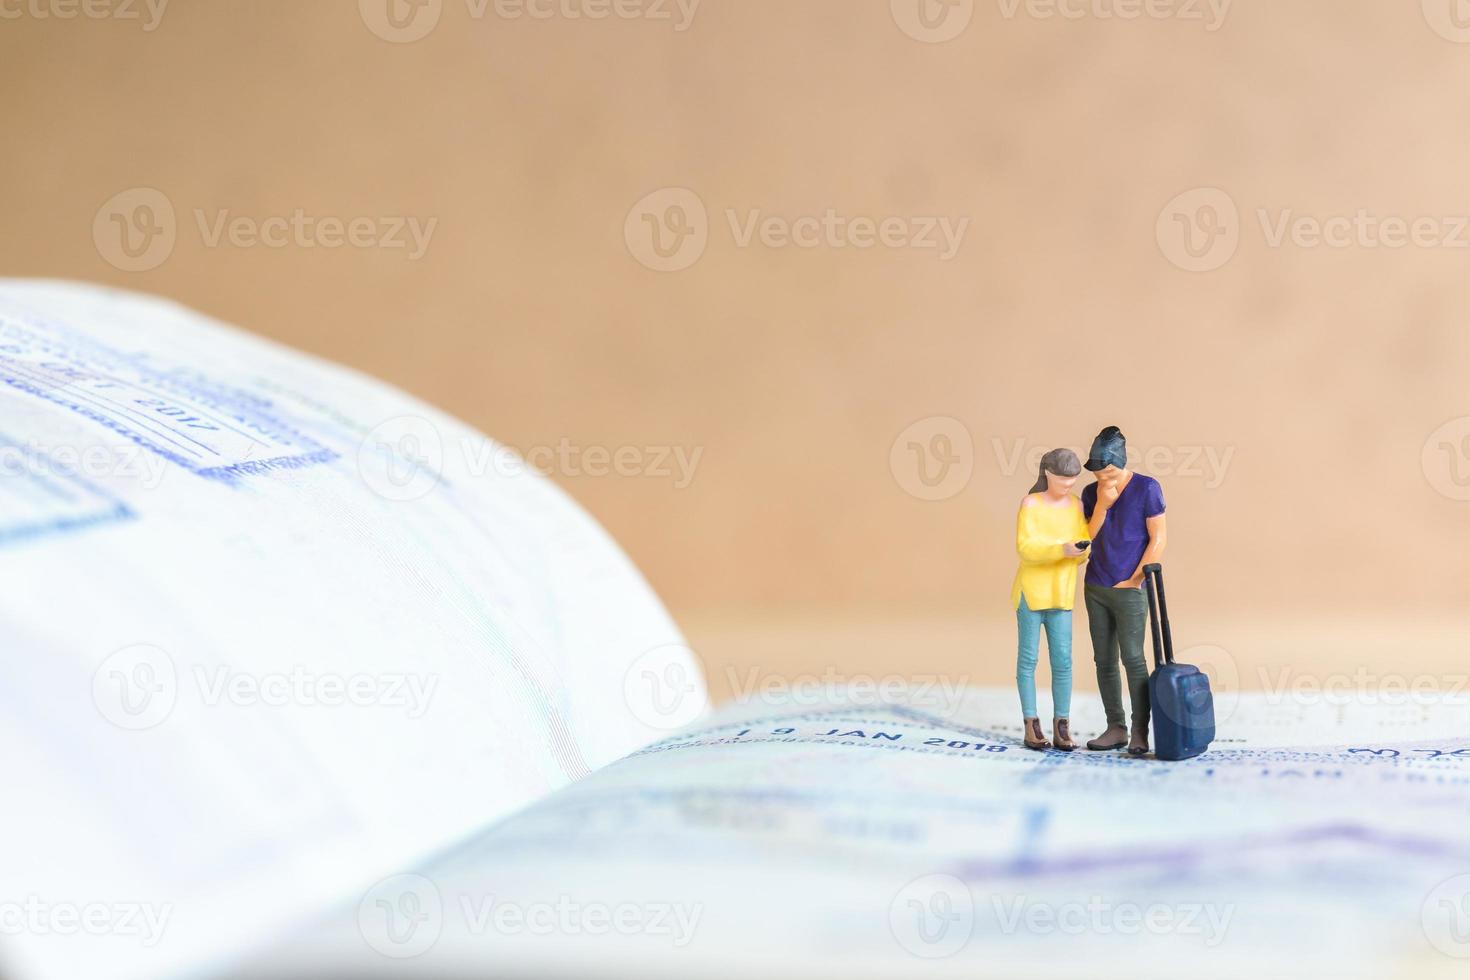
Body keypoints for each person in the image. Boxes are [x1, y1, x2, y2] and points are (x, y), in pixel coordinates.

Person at [1079, 426, 1167, 756]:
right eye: (1098, 471)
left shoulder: (1147, 488)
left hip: (1130, 588)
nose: (1103, 475)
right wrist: (1102, 504)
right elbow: (1085, 539)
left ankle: (1140, 731)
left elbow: (1158, 538)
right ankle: (1115, 726)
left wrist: (1135, 579)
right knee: (1104, 659)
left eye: (1109, 469)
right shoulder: (1091, 494)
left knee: (1133, 658)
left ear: (1121, 462)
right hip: (1096, 586)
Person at [1011, 448, 1089, 751]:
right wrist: (1061, 550)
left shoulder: (1075, 506)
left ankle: (1062, 724)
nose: (1068, 486)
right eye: (1063, 480)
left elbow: (1085, 546)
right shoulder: (1030, 504)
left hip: (1061, 594)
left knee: (1064, 662)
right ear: (1047, 475)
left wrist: (1081, 550)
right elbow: (1025, 548)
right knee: (1028, 660)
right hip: (1031, 593)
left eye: (1072, 482)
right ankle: (1031, 723)